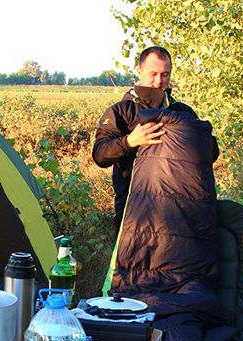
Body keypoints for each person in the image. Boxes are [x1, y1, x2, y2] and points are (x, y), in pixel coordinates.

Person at [93, 46, 219, 231]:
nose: (159, 81)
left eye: (165, 74)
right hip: (133, 212)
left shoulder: (183, 111)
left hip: (178, 211)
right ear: (140, 72)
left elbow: (211, 154)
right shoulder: (120, 111)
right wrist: (129, 142)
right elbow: (100, 155)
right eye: (153, 74)